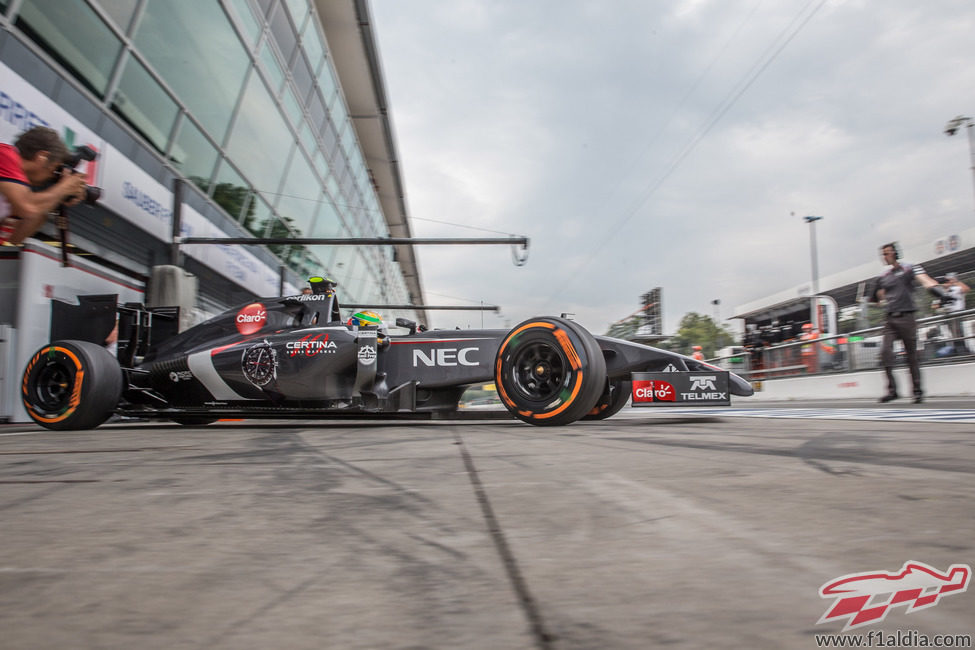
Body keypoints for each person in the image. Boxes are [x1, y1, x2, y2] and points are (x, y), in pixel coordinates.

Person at [871, 242, 949, 403]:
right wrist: (879, 300)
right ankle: (892, 391)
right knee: (885, 353)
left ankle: (917, 391)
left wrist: (940, 293)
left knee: (911, 356)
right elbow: (877, 298)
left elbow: (926, 281)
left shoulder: (909, 268)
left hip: (907, 317)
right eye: (883, 254)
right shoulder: (883, 276)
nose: (884, 257)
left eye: (887, 253)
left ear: (895, 253)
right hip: (890, 318)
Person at [1, 126, 87, 245]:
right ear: (42, 156)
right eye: (54, 169)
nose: (51, 176)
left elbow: (11, 241)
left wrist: (57, 198)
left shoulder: (16, 188)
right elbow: (28, 207)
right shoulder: (5, 155)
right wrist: (63, 188)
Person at [940, 272, 970, 355]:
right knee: (952, 333)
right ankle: (956, 349)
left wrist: (955, 281)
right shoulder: (944, 290)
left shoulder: (957, 288)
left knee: (958, 332)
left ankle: (962, 350)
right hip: (948, 313)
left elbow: (966, 289)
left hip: (957, 312)